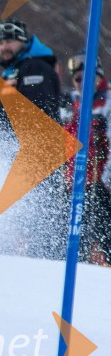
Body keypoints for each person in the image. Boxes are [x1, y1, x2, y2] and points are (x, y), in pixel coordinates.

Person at [0, 18, 61, 132]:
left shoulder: (34, 67)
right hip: (14, 146)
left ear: (23, 41)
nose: (4, 48)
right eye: (0, 43)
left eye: (9, 42)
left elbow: (37, 112)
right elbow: (4, 117)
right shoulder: (12, 72)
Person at [63, 55, 111, 266]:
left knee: (102, 247)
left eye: (87, 77)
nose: (82, 83)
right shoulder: (72, 105)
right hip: (73, 187)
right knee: (75, 250)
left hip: (100, 188)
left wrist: (104, 181)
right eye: (78, 79)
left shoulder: (107, 102)